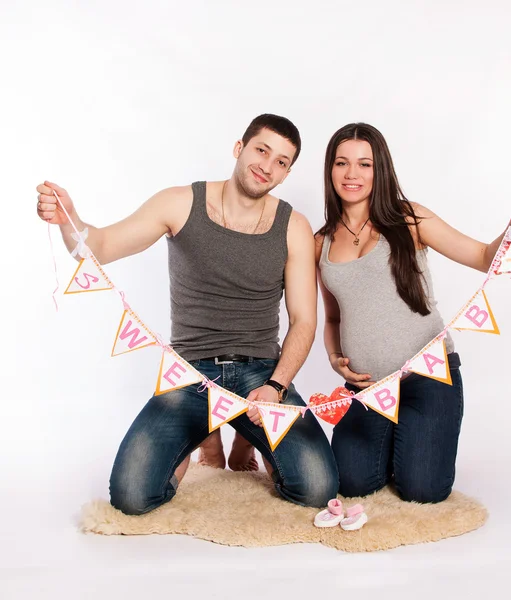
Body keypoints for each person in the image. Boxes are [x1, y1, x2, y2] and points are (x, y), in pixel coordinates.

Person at [36, 114, 339, 513]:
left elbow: (304, 321)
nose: (268, 165)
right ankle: (205, 435)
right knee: (132, 496)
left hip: (261, 374)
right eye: (261, 150)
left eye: (282, 162)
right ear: (239, 148)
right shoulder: (179, 203)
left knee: (317, 489)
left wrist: (277, 387)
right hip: (191, 374)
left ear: (286, 173)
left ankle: (246, 438)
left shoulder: (293, 226)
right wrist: (68, 218)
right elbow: (101, 246)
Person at [315, 122, 511, 503]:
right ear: (330, 169)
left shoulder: (409, 218)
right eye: (342, 163)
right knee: (352, 485)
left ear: (381, 170)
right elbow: (332, 317)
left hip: (429, 381)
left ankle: (412, 438)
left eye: (365, 164)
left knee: (423, 490)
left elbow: (481, 256)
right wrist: (333, 358)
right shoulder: (321, 242)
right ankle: (396, 439)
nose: (352, 174)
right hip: (367, 389)